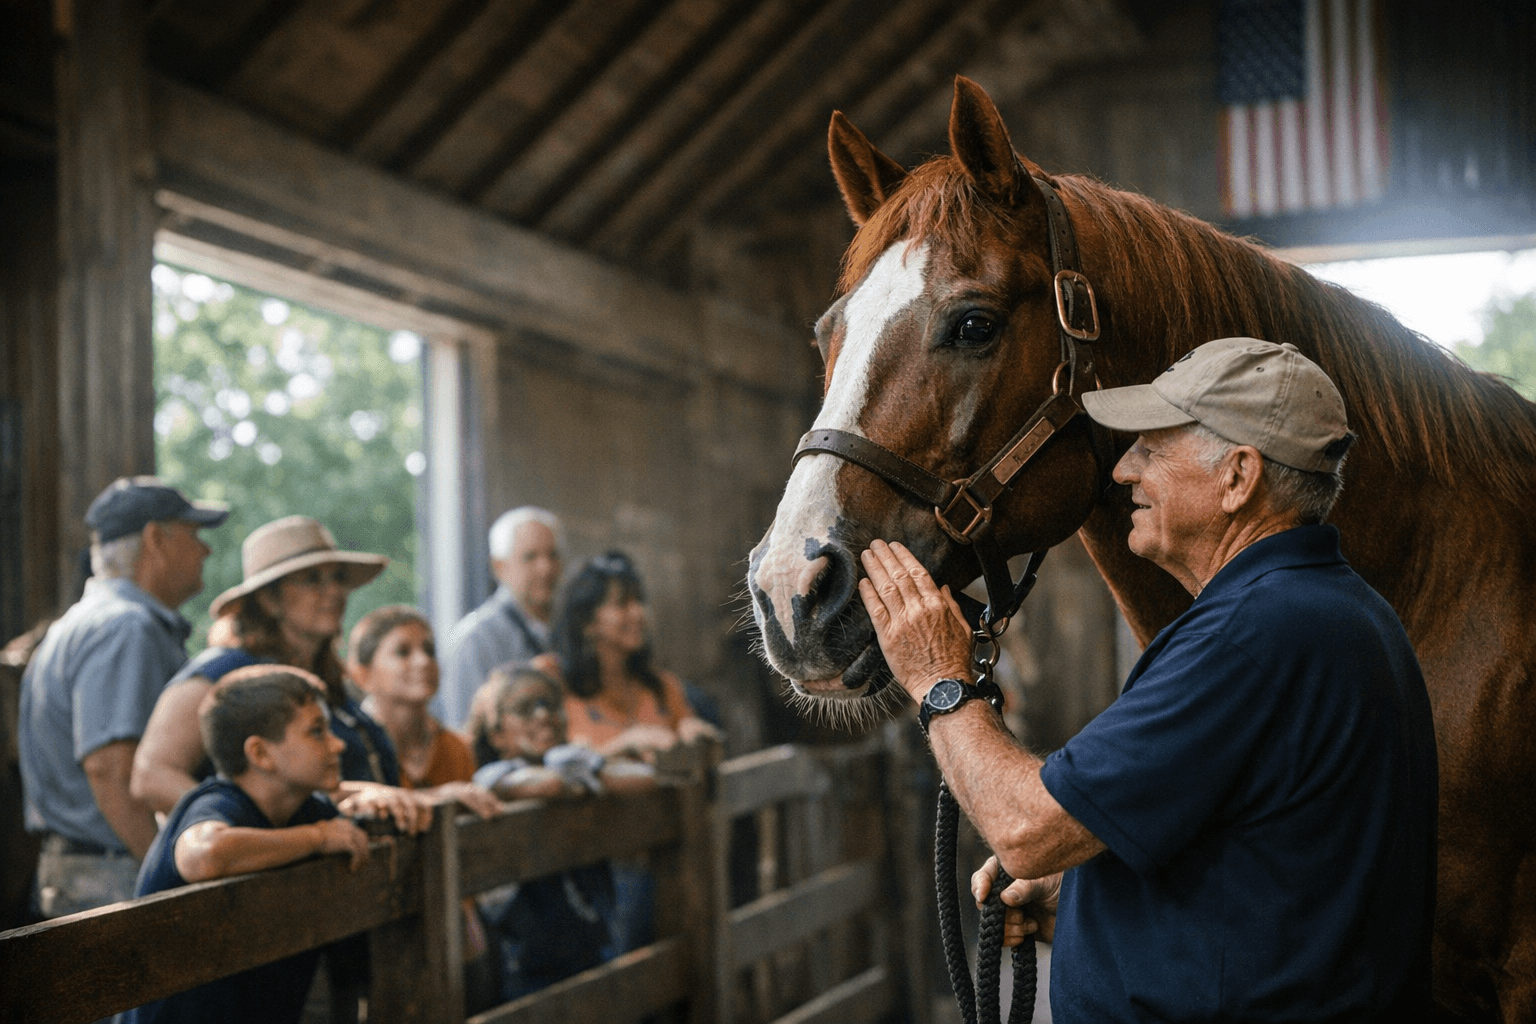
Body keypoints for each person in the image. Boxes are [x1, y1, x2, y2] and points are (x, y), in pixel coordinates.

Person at [858, 338, 1438, 1021]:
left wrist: (940, 682)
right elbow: (1274, 874)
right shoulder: (1336, 612)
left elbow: (1026, 830)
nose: (1124, 471)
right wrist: (1086, 907)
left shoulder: (1253, 634)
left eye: (1152, 449)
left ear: (1238, 477)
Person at [132, 515, 425, 834]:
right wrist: (253, 836)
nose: (334, 592)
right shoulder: (224, 671)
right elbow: (151, 776)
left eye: (338, 577)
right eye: (312, 579)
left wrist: (435, 797)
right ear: (270, 599)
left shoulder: (330, 682)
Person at [19, 476, 228, 917]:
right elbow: (112, 771)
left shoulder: (84, 622)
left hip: (89, 869)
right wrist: (166, 880)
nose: (206, 551)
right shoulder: (125, 628)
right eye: (194, 535)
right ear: (156, 539)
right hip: (113, 877)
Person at [116, 666, 372, 1024]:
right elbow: (202, 856)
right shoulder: (217, 804)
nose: (338, 743)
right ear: (260, 754)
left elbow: (346, 814)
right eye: (317, 731)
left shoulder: (305, 809)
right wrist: (317, 837)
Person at [468, 662, 654, 1001]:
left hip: (590, 944)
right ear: (497, 734)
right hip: (526, 964)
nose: (543, 715)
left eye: (551, 705)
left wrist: (590, 763)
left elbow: (644, 778)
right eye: (525, 709)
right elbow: (543, 784)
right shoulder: (490, 777)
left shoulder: (575, 764)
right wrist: (574, 774)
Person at [552, 550, 718, 762]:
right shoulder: (562, 693)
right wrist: (624, 745)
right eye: (621, 603)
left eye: (638, 600)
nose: (638, 612)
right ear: (587, 623)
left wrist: (696, 738)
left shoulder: (663, 688)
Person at [346, 605, 500, 817]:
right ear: (362, 674)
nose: (424, 661)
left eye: (429, 650)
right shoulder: (348, 748)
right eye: (403, 652)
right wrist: (438, 797)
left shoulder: (455, 749)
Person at [441, 507, 564, 730]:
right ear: (499, 567)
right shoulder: (474, 640)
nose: (545, 568)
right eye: (530, 557)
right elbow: (464, 733)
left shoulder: (566, 629)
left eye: (552, 555)